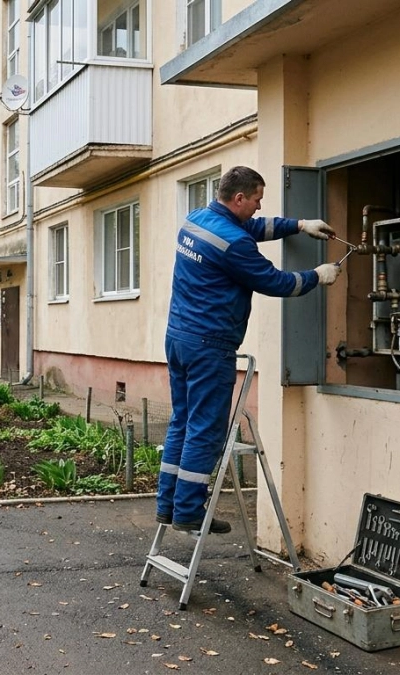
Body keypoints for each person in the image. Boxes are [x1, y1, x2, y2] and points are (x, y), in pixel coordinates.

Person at [158, 166, 342, 534]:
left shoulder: (198, 219)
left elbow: (252, 228)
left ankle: (168, 505)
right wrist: (316, 277)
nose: (260, 207)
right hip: (209, 345)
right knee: (205, 429)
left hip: (178, 338)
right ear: (239, 198)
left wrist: (299, 224)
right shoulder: (235, 243)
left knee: (181, 420)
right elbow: (273, 281)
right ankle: (189, 512)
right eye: (257, 199)